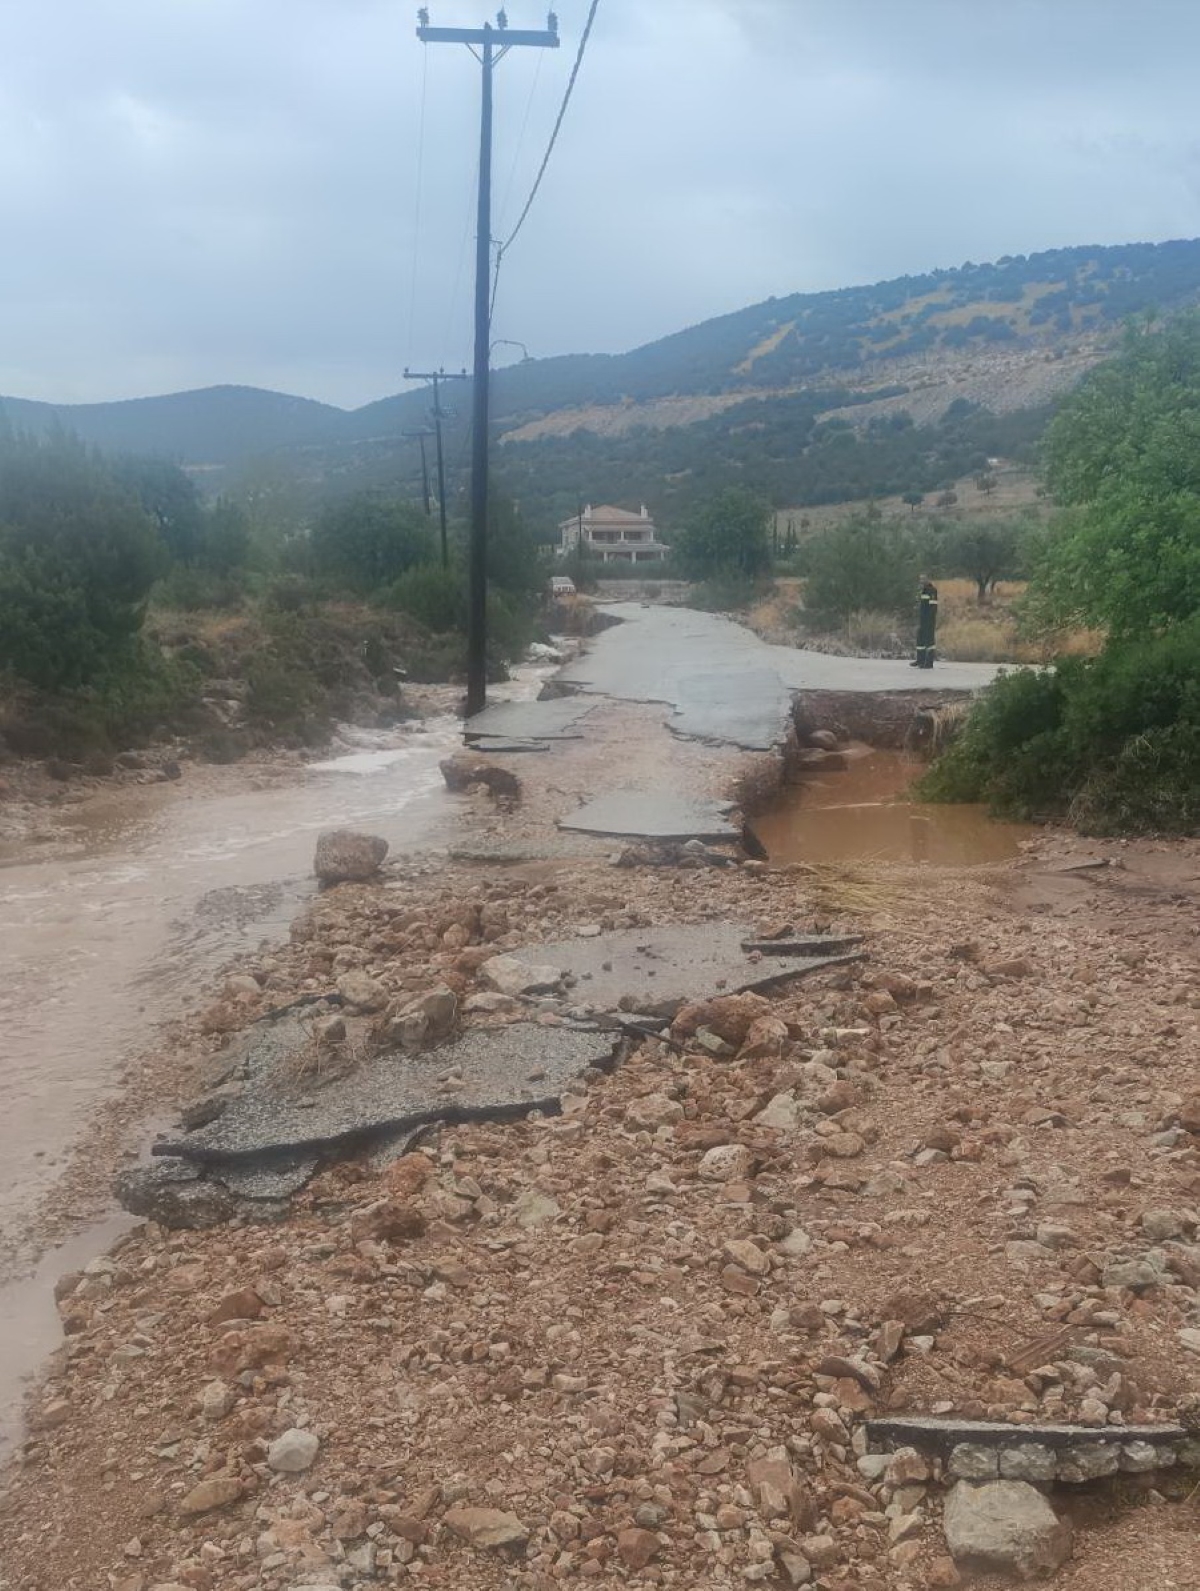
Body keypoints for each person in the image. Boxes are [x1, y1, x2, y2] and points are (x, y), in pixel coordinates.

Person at [912, 575, 938, 669]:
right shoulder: (924, 590)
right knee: (920, 639)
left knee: (929, 641)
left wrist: (929, 620)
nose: (921, 581)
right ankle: (920, 660)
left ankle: (929, 662)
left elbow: (933, 607)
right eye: (920, 579)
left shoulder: (932, 590)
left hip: (929, 620)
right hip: (922, 620)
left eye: (923, 579)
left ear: (928, 579)